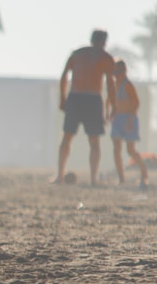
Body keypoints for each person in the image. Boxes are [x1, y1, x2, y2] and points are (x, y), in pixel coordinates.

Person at [54, 29, 116, 186]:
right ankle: (92, 179)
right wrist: (112, 106)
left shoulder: (78, 54)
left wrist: (63, 98)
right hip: (91, 99)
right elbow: (110, 85)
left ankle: (60, 176)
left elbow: (63, 77)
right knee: (93, 140)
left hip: (76, 98)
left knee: (68, 137)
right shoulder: (105, 58)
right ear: (104, 42)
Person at [110, 59, 149, 188]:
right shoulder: (114, 85)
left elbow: (136, 103)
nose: (116, 75)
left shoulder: (128, 85)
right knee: (116, 149)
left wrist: (131, 119)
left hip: (129, 118)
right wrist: (110, 114)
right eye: (114, 72)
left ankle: (144, 173)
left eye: (118, 72)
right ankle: (121, 178)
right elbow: (111, 100)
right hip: (117, 119)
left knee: (130, 150)